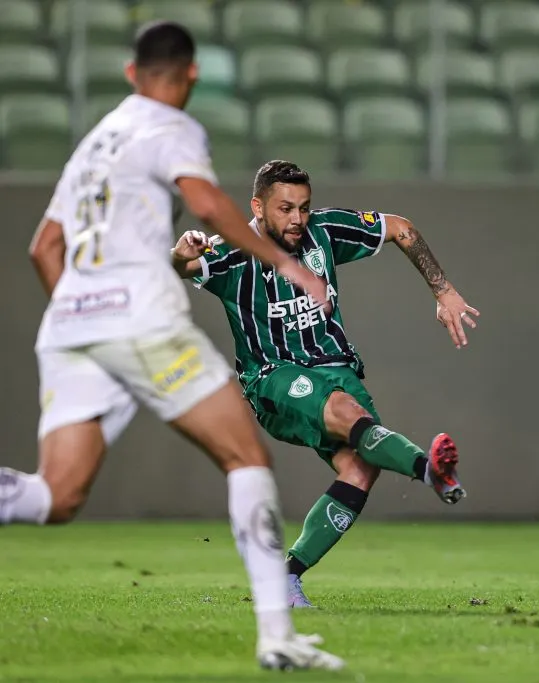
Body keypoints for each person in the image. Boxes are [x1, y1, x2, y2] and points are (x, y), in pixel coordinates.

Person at [0, 22, 344, 671]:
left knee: (55, 496)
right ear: (190, 76)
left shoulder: (93, 144)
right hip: (141, 318)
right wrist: (290, 265)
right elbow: (209, 205)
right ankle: (277, 633)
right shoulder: (172, 126)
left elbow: (43, 248)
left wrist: (85, 316)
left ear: (131, 74)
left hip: (72, 323)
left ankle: (278, 630)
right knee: (246, 458)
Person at [170, 160, 479, 608]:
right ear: (257, 206)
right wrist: (182, 251)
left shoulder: (325, 230)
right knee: (348, 414)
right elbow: (183, 265)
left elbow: (401, 228)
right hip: (275, 376)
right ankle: (429, 470)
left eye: (304, 207)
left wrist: (442, 289)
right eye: (284, 209)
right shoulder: (233, 252)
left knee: (360, 468)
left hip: (337, 367)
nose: (297, 219)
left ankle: (287, 577)